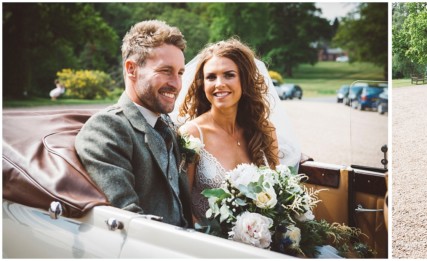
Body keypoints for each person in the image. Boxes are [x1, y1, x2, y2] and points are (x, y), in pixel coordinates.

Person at [75, 20, 192, 227]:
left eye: (180, 73)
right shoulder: (106, 128)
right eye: (166, 71)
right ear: (131, 69)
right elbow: (130, 222)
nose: (176, 83)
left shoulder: (166, 123)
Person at [177, 38, 280, 220]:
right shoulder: (191, 135)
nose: (219, 84)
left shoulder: (265, 131)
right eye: (211, 77)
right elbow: (184, 207)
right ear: (203, 84)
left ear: (244, 79)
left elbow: (276, 194)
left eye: (229, 75)